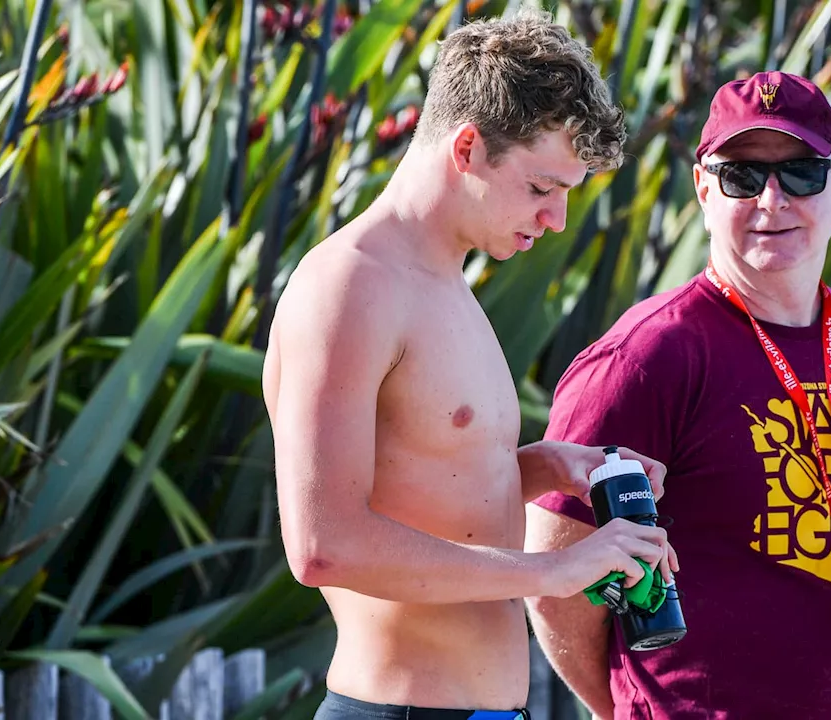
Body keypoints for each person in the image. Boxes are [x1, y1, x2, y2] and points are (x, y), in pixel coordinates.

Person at [261, 12, 679, 720]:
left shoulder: (448, 286)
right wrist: (552, 570)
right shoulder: (349, 286)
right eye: (544, 187)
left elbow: (425, 496)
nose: (557, 219)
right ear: (467, 147)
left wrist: (547, 467)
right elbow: (323, 544)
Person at [524, 70, 831, 719]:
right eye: (742, 176)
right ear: (704, 189)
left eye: (802, 173)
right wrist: (623, 707)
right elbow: (553, 578)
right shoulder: (647, 360)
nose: (773, 200)